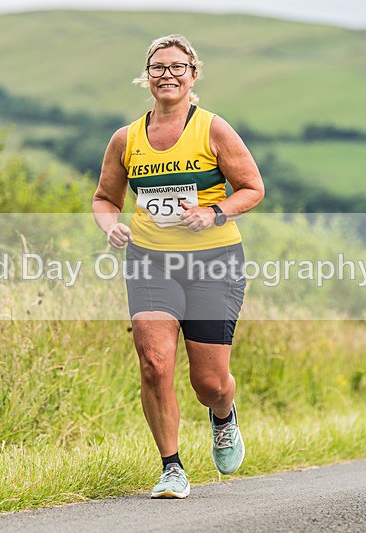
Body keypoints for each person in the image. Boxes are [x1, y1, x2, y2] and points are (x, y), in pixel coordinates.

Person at [92, 34, 264, 499]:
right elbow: (105, 198)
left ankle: (223, 414)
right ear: (146, 76)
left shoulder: (213, 129)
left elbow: (253, 188)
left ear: (193, 75)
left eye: (177, 67)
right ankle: (172, 468)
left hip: (214, 262)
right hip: (150, 260)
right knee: (154, 363)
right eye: (158, 67)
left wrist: (214, 213)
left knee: (209, 383)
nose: (167, 75)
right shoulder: (126, 138)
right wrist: (110, 226)